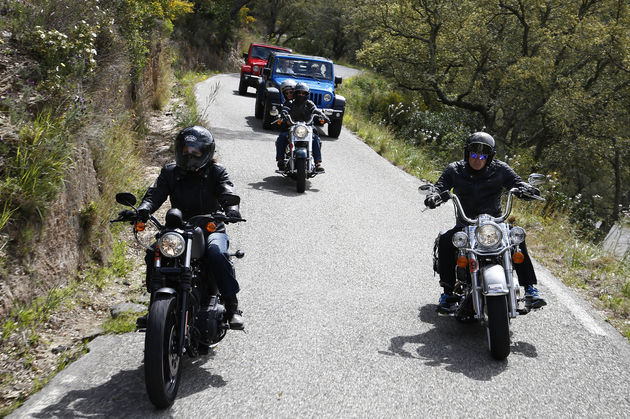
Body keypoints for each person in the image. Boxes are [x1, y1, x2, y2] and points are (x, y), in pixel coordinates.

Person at [424, 132, 546, 314]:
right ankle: (447, 293)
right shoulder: (454, 170)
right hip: (466, 224)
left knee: (517, 238)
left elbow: (517, 182)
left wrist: (526, 189)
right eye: (474, 154)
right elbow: (440, 186)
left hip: (495, 224)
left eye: (483, 155)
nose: (477, 159)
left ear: (489, 157)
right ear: (467, 154)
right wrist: (434, 195)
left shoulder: (500, 169)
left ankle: (530, 290)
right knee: (445, 239)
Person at [136, 126, 245, 330]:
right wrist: (143, 209)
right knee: (154, 252)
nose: (189, 155)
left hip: (209, 227)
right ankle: (154, 307)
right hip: (177, 228)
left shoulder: (216, 171)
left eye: (196, 152)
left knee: (216, 253)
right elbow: (155, 194)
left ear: (206, 153)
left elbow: (227, 190)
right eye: (186, 150)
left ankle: (232, 307)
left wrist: (231, 208)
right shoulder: (170, 172)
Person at [275, 82, 326, 172]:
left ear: (307, 94)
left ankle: (318, 163)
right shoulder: (290, 103)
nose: (301, 95)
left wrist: (321, 114)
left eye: (303, 93)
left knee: (316, 139)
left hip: (307, 129)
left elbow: (314, 109)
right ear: (295, 93)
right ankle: (280, 161)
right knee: (282, 137)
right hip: (292, 128)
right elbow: (285, 110)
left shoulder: (309, 103)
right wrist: (283, 115)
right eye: (299, 93)